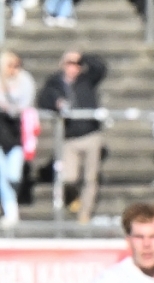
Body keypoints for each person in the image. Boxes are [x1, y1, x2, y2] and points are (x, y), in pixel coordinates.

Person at [38, 50, 108, 224]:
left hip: (91, 133)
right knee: (68, 178)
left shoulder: (87, 80)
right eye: (70, 63)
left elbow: (101, 67)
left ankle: (85, 214)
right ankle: (72, 198)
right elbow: (43, 99)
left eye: (77, 64)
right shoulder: (54, 83)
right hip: (69, 136)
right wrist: (56, 103)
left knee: (91, 178)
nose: (74, 67)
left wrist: (83, 56)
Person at [0, 51, 32, 225]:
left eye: (16, 65)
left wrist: (9, 100)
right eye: (10, 65)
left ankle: (10, 205)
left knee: (14, 176)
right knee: (1, 175)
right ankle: (11, 210)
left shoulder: (23, 81)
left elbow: (23, 105)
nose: (14, 69)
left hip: (16, 136)